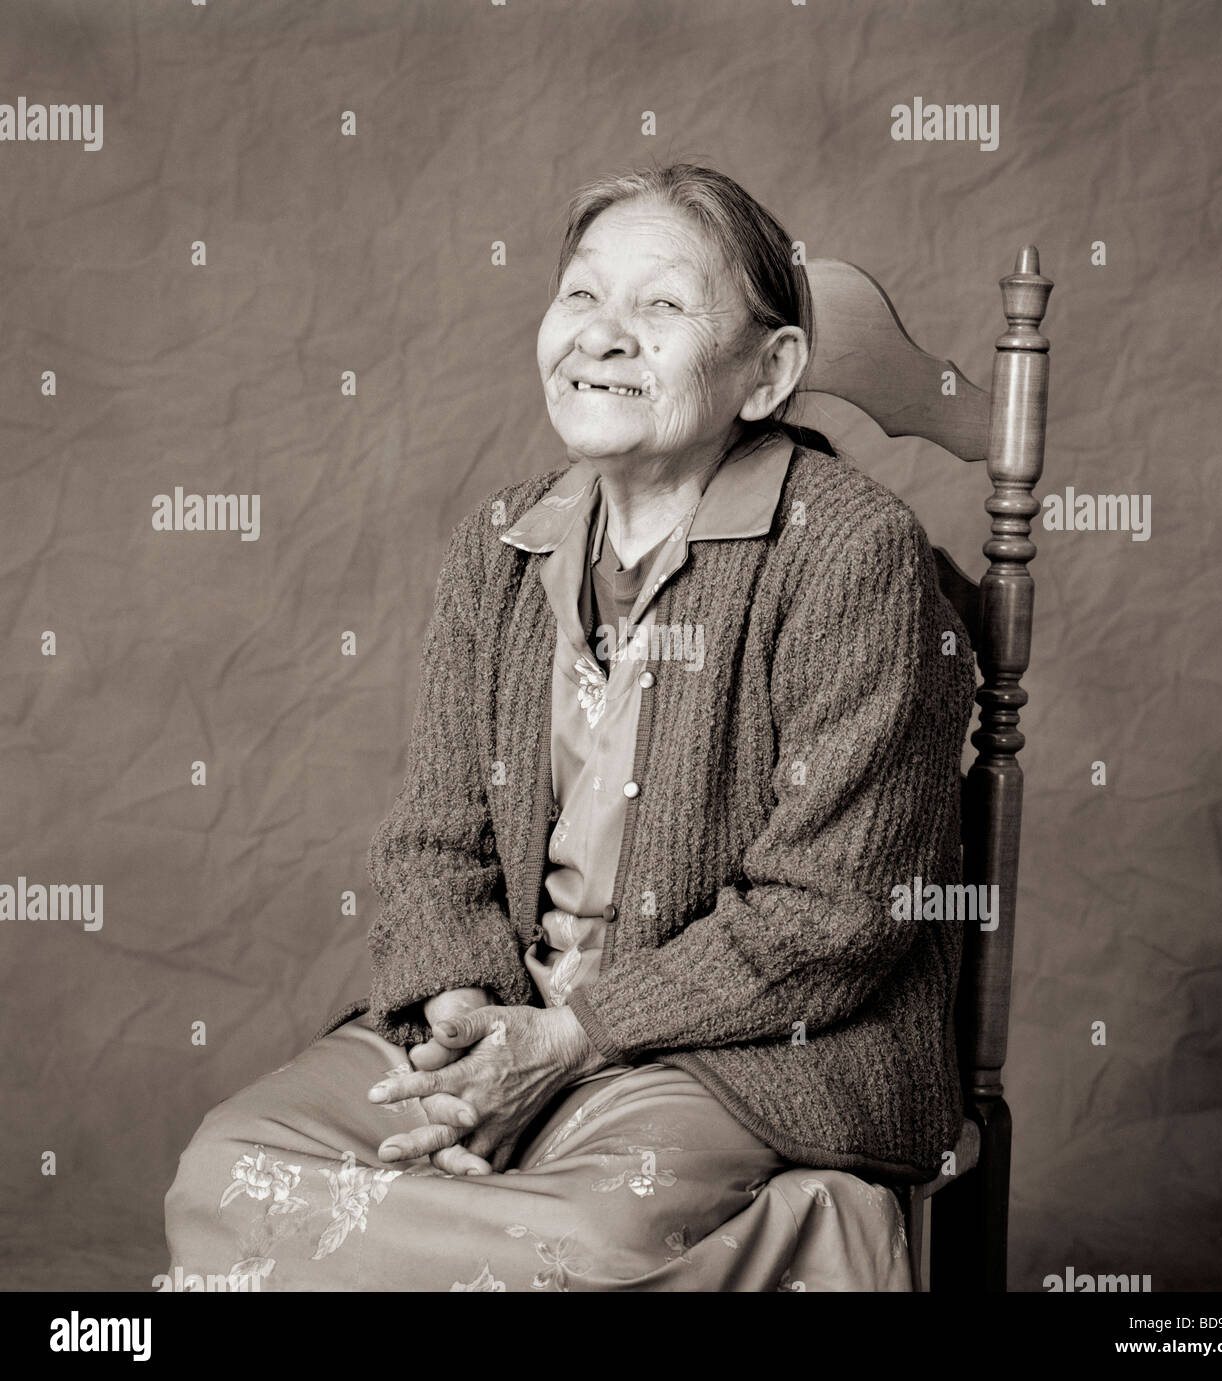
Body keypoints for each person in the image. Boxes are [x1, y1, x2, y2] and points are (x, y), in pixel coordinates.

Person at [163, 163, 974, 1292]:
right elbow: (431, 842)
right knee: (224, 1173)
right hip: (507, 1015)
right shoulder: (501, 542)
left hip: (737, 1049)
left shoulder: (851, 552)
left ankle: (791, 1224)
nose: (601, 336)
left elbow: (833, 913)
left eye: (661, 307)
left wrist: (574, 1038)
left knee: (587, 1242)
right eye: (582, 296)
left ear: (768, 370)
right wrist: (469, 1025)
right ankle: (806, 1241)